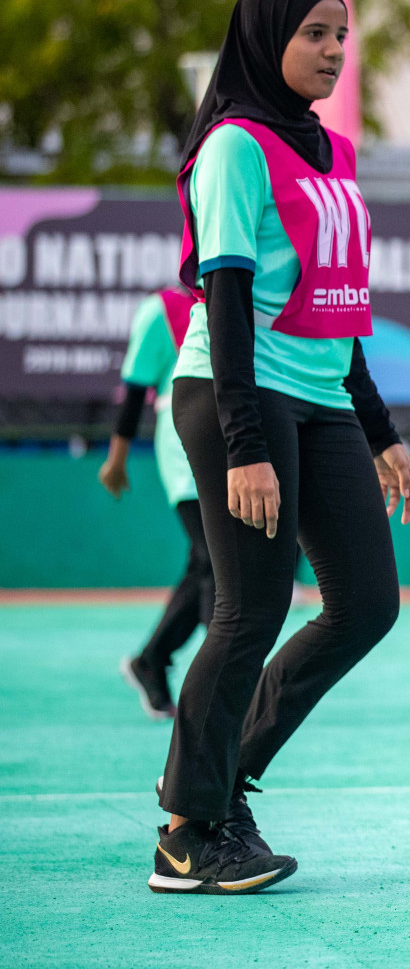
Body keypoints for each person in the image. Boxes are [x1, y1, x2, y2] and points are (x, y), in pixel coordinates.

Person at [151, 0, 410, 896]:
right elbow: (224, 297)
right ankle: (190, 831)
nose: (334, 52)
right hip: (242, 392)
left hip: (325, 397)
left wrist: (381, 431)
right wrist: (244, 442)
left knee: (368, 605)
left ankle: (222, 780)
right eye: (315, 34)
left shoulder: (334, 152)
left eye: (342, 37)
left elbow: (343, 306)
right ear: (267, 39)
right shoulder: (236, 147)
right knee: (250, 609)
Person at [100, 285, 209, 720]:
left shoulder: (241, 301)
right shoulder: (159, 311)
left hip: (236, 444)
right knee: (216, 562)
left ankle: (152, 659)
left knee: (205, 565)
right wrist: (117, 459)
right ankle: (216, 688)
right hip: (184, 445)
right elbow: (134, 391)